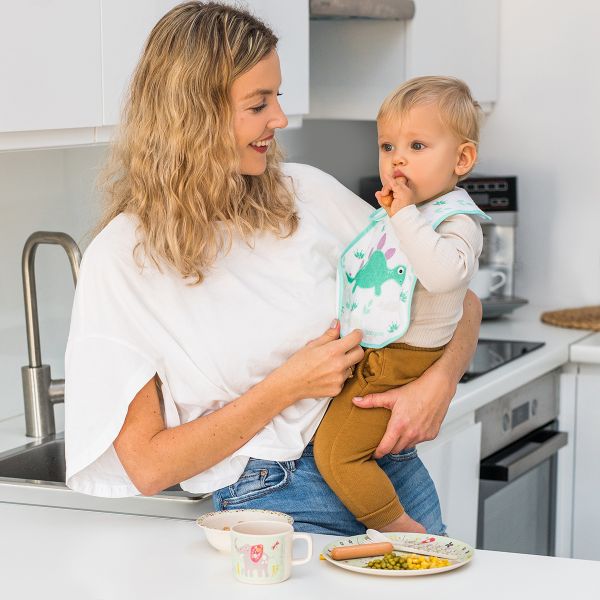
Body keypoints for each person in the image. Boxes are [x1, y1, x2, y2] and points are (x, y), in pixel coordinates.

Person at [64, 1, 481, 535]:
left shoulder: (307, 193)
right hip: (276, 501)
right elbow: (148, 467)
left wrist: (439, 385)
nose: (279, 119)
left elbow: (461, 301)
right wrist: (287, 386)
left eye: (277, 98)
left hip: (389, 471)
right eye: (259, 103)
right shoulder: (123, 259)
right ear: (194, 114)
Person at [314, 76, 488, 534]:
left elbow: (445, 275)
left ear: (462, 159)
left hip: (402, 361)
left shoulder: (457, 220)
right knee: (337, 443)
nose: (398, 159)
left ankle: (399, 528)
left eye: (417, 145)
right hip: (381, 354)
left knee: (336, 455)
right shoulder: (398, 214)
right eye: (388, 146)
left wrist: (405, 215)